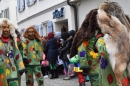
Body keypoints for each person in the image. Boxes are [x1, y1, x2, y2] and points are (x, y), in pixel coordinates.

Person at [0, 18, 25, 86]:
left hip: (12, 71)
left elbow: (17, 55)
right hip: (1, 72)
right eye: (4, 27)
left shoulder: (12, 41)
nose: (6, 29)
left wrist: (21, 67)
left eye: (8, 27)